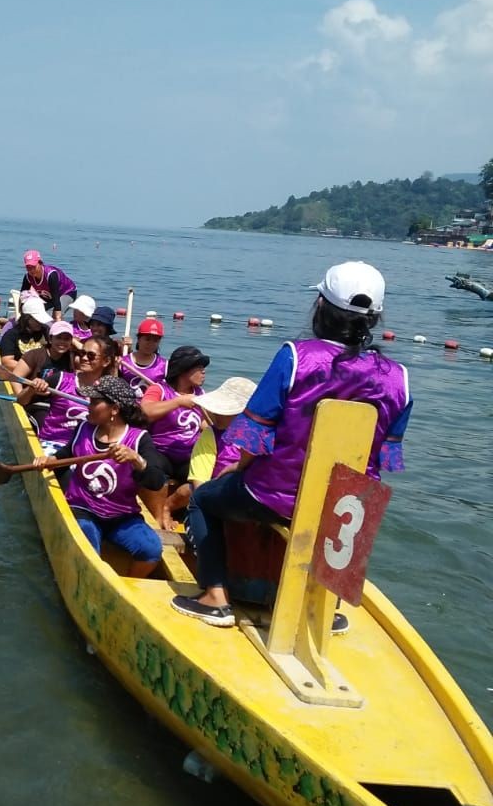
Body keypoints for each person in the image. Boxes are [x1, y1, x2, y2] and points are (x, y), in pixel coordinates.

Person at [171, 262, 412, 629]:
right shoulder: (399, 378)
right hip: (349, 506)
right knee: (351, 503)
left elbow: (255, 434)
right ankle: (323, 608)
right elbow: (387, 457)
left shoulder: (296, 357)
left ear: (320, 306)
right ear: (375, 319)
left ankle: (215, 597)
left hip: (276, 494)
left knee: (203, 499)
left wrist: (239, 467)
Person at [32, 376, 166, 577]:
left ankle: (128, 584)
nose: (88, 406)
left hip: (121, 516)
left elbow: (156, 481)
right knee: (87, 539)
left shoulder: (139, 439)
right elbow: (63, 458)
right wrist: (47, 461)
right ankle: (90, 577)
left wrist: (136, 460)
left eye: (95, 402)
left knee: (151, 549)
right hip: (83, 509)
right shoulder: (83, 429)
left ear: (114, 409)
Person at [165, 376, 257, 520]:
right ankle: (167, 507)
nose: (217, 415)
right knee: (188, 491)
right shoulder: (211, 435)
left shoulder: (260, 437)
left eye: (225, 412)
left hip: (245, 493)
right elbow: (199, 483)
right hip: (212, 491)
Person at [18, 334, 118, 450]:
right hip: (54, 444)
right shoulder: (61, 379)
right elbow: (21, 400)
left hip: (86, 447)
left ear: (106, 361)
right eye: (82, 353)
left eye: (91, 355)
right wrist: (31, 389)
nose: (84, 358)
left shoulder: (111, 389)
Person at [140, 346, 209, 484]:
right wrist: (177, 402)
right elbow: (145, 412)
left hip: (188, 455)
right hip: (161, 452)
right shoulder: (159, 389)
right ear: (183, 369)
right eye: (199, 367)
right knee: (151, 469)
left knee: (207, 473)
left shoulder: (201, 394)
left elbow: (203, 424)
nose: (204, 371)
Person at [0, 294, 52, 372]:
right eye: (37, 320)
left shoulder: (46, 331)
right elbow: (7, 362)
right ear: (27, 318)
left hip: (45, 371)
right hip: (21, 372)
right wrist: (33, 369)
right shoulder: (11, 335)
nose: (40, 322)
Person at [20, 250, 78, 320]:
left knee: (54, 316)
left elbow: (56, 301)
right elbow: (22, 298)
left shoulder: (51, 275)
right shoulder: (27, 277)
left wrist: (57, 320)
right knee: (32, 312)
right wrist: (21, 315)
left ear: (40, 263)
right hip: (49, 296)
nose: (31, 270)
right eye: (28, 268)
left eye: (33, 267)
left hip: (68, 292)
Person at [119, 319, 167, 391]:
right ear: (139, 339)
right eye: (147, 339)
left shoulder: (164, 366)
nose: (150, 344)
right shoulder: (123, 362)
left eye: (155, 340)